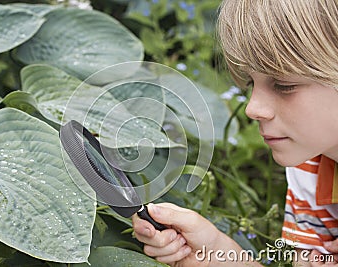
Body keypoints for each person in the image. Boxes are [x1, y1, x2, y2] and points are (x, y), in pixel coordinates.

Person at [132, 0, 338, 266]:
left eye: (284, 85)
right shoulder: (311, 166)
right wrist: (215, 253)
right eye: (251, 82)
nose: (253, 108)